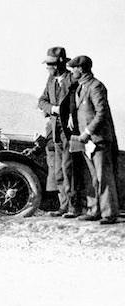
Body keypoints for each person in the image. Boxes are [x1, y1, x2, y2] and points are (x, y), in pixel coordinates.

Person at [68, 55, 119, 224]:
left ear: (81, 69)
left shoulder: (96, 86)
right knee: (91, 177)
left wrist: (88, 132)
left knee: (103, 177)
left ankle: (109, 213)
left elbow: (101, 113)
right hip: (87, 141)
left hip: (98, 140)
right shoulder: (81, 88)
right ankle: (94, 210)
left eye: (73, 68)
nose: (72, 71)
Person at [37, 47, 83, 218]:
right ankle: (64, 206)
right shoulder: (51, 80)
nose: (47, 67)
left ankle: (74, 207)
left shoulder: (73, 79)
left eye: (50, 64)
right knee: (58, 171)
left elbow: (79, 103)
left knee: (69, 170)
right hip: (56, 132)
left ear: (59, 64)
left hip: (71, 133)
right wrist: (53, 108)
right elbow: (41, 101)